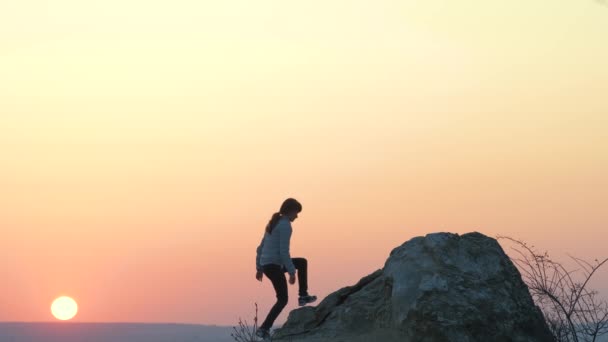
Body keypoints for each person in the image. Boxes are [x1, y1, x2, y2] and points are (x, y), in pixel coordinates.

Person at [254, 198, 317, 339]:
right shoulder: (285, 225)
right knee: (282, 299)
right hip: (274, 265)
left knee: (301, 262)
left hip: (268, 265)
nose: (297, 216)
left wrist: (259, 267)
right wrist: (292, 272)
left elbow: (260, 247)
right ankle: (264, 328)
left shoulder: (273, 222)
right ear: (290, 211)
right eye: (296, 212)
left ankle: (303, 295)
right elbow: (284, 252)